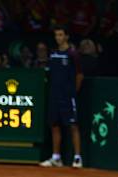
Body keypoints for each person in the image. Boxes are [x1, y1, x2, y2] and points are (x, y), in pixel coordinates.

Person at [40, 26, 84, 168]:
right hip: (54, 95)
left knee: (73, 125)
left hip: (68, 96)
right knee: (54, 125)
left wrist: (73, 92)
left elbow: (79, 75)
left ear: (66, 36)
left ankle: (77, 158)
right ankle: (56, 157)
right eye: (56, 35)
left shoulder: (73, 54)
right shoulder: (53, 54)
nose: (58, 37)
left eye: (60, 35)